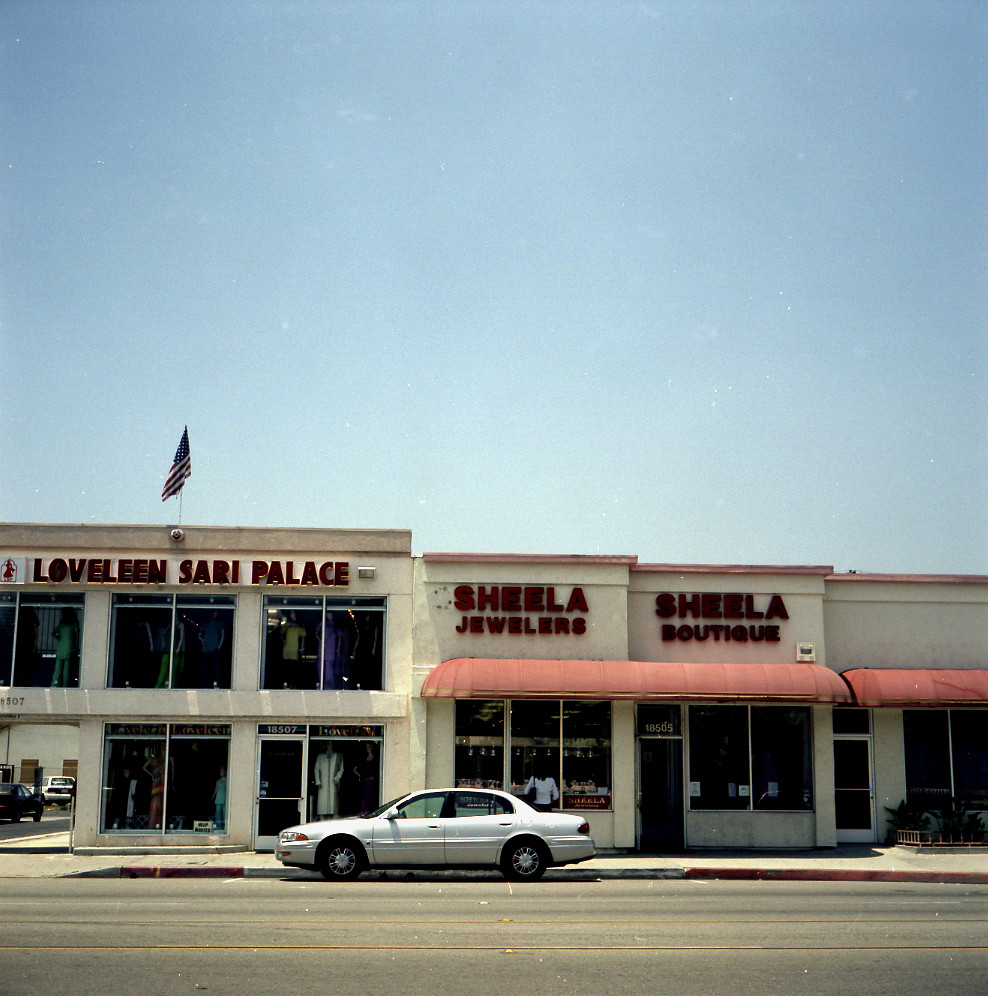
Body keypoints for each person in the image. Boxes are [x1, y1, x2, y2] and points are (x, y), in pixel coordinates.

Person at [51, 607, 79, 687]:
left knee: (57, 669)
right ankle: (65, 685)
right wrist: (75, 646)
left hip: (61, 647)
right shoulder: (74, 623)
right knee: (66, 669)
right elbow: (76, 636)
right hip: (69, 647)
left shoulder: (61, 623)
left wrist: (59, 638)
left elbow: (53, 632)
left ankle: (55, 684)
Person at [313, 750, 343, 818]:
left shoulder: (337, 756)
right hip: (323, 782)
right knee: (322, 801)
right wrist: (318, 781)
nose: (329, 745)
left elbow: (341, 769)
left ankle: (333, 815)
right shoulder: (320, 756)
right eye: (328, 743)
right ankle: (322, 816)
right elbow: (316, 769)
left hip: (333, 783)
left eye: (331, 744)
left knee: (333, 801)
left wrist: (336, 778)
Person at [211, 766, 227, 831]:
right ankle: (219, 826)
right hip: (218, 799)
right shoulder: (218, 781)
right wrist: (212, 797)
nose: (221, 772)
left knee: (224, 813)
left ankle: (224, 827)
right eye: (220, 771)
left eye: (222, 771)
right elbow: (215, 790)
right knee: (218, 813)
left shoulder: (228, 780)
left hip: (225, 799)